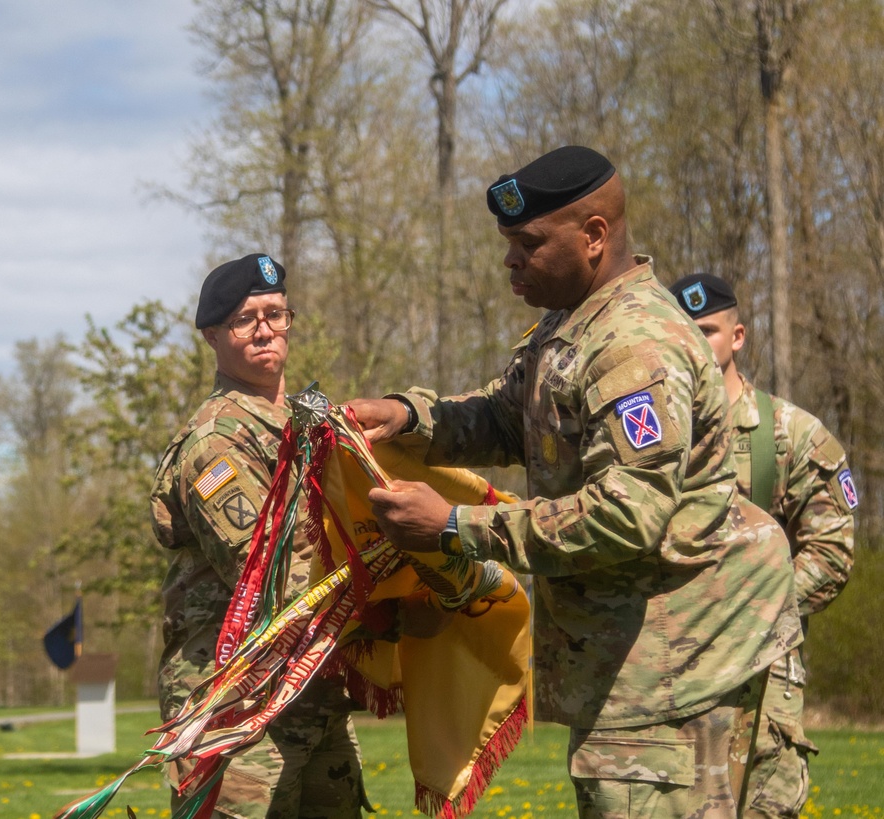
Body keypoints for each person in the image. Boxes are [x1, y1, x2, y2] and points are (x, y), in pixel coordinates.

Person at [347, 146, 803, 817]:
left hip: (678, 671)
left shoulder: (635, 347)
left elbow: (626, 515)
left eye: (528, 244)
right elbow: (508, 417)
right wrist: (411, 416)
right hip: (632, 664)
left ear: (594, 236)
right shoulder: (572, 323)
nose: (509, 260)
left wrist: (455, 526)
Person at [150, 253, 367, 818]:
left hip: (312, 690)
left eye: (276, 313)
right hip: (236, 706)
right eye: (246, 319)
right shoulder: (216, 442)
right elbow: (266, 572)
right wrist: (382, 600)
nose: (266, 329)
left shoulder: (309, 424)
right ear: (212, 335)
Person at [670, 273, 858, 819]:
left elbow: (829, 554)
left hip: (761, 681)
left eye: (706, 329)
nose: (694, 342)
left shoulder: (791, 434)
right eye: (683, 330)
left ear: (738, 337)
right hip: (665, 679)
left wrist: (745, 614)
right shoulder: (648, 437)